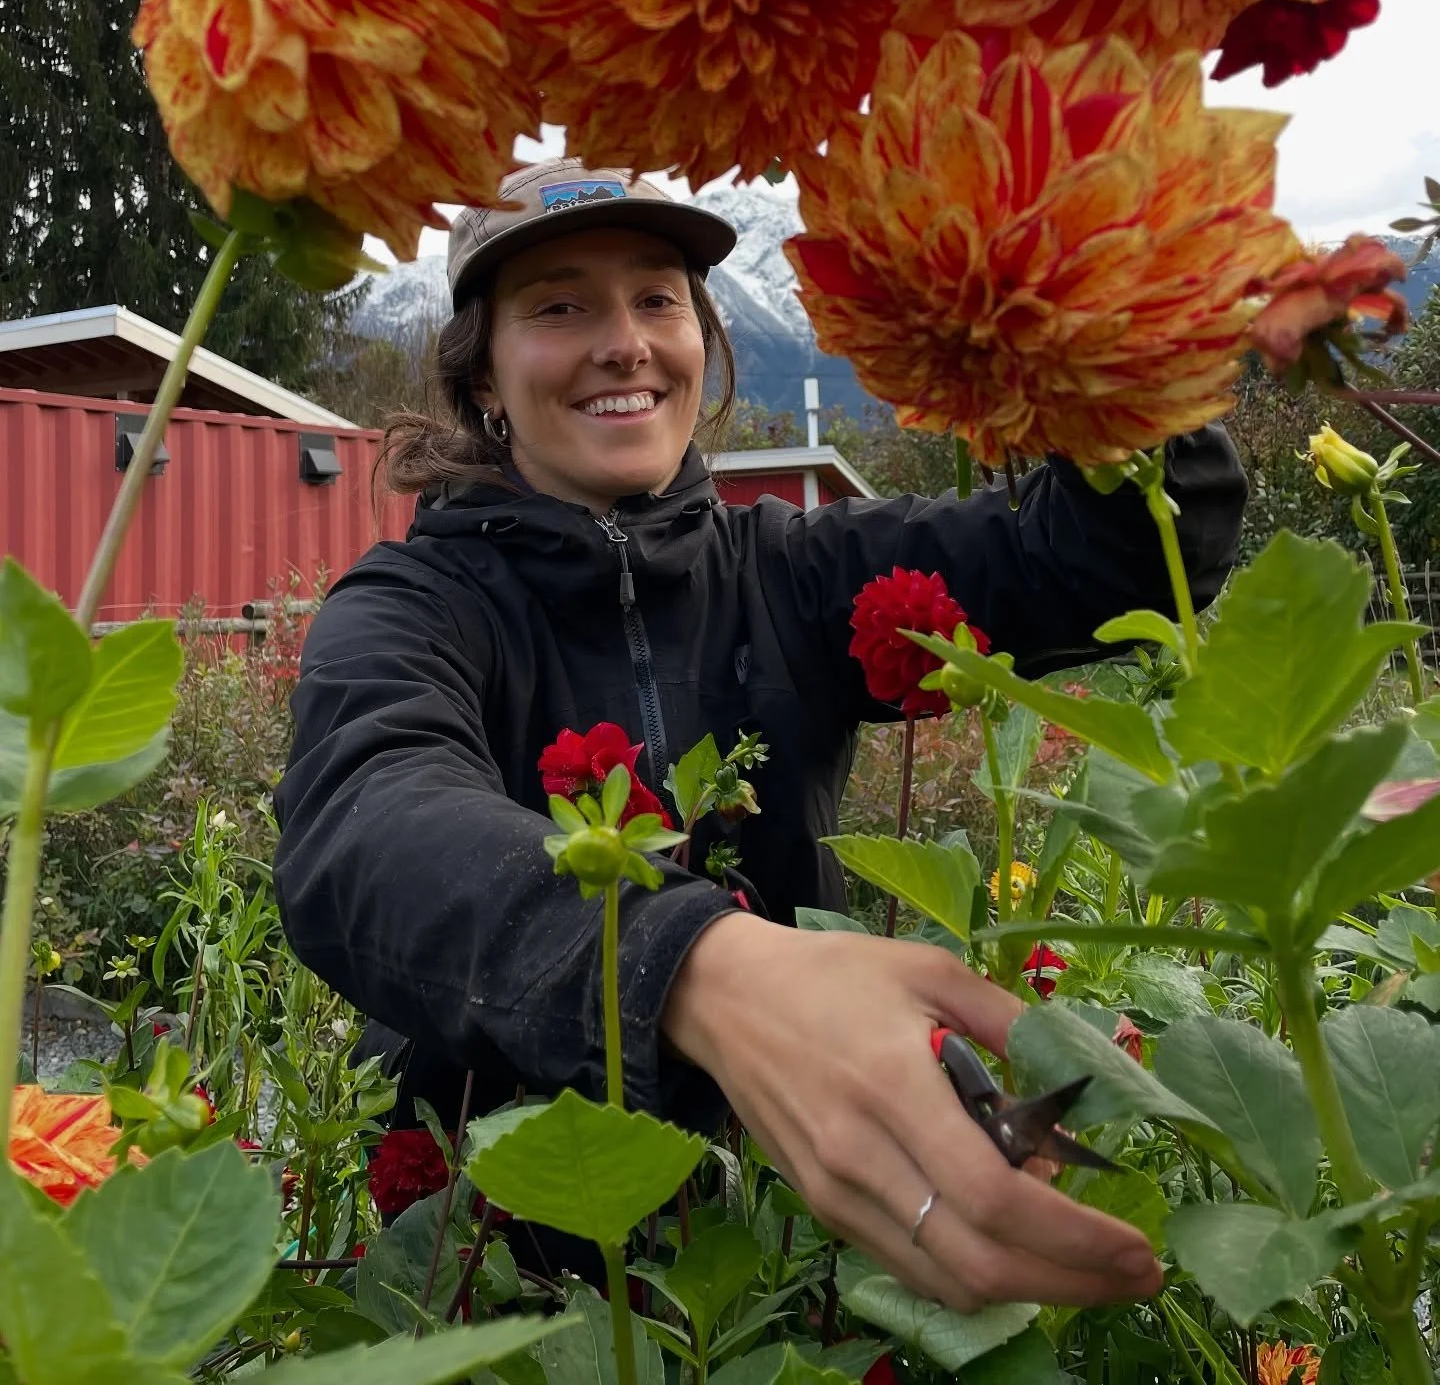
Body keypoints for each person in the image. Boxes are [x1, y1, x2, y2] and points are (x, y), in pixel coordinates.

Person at [275, 158, 1246, 1311]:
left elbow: (1092, 557)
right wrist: (689, 962)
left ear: (702, 340)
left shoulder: (790, 569)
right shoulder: (412, 604)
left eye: (656, 298)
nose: (625, 341)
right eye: (559, 306)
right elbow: (364, 819)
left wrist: (1096, 311)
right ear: (482, 373)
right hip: (502, 1270)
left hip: (777, 1264)